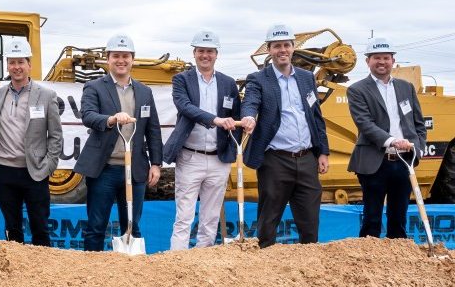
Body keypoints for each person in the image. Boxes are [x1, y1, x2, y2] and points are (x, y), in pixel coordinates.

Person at [240, 24, 329, 248]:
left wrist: (323, 152)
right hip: (275, 161)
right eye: (277, 46)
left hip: (307, 158)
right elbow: (251, 101)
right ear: (269, 50)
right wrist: (249, 116)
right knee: (269, 220)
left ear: (293, 48)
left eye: (286, 45)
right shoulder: (258, 79)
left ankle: (309, 264)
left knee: (310, 221)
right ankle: (265, 269)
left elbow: (316, 116)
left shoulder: (307, 78)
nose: (282, 50)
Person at [74, 33, 163, 252]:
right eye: (116, 56)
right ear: (108, 59)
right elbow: (88, 115)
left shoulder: (144, 91)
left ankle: (131, 277)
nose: (121, 60)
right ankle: (92, 272)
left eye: (125, 56)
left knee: (132, 227)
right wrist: (111, 119)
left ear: (132, 59)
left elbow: (152, 130)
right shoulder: (94, 87)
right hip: (104, 168)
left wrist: (156, 164)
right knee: (96, 226)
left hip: (135, 169)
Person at [0, 37, 62, 246]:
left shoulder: (46, 96)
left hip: (34, 172)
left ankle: (41, 273)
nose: (16, 67)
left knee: (40, 227)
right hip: (4, 171)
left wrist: (48, 166)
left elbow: (56, 136)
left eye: (21, 62)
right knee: (12, 228)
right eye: (12, 62)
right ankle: (15, 273)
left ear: (29, 65)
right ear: (7, 65)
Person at [162, 30, 241, 250]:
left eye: (210, 51)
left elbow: (234, 115)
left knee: (211, 217)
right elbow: (185, 107)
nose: (205, 55)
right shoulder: (181, 80)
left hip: (219, 159)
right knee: (184, 216)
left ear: (216, 54)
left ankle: (203, 262)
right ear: (194, 53)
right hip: (190, 157)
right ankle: (177, 262)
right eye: (201, 51)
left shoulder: (228, 83)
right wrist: (214, 120)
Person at [347, 36, 427, 239]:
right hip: (375, 162)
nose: (381, 62)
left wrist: (417, 148)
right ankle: (368, 263)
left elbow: (418, 123)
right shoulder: (357, 90)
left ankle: (397, 265)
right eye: (376, 58)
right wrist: (392, 141)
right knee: (372, 219)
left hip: (403, 162)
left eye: (386, 57)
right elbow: (365, 124)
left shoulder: (405, 87)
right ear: (368, 61)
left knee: (398, 219)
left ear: (393, 60)